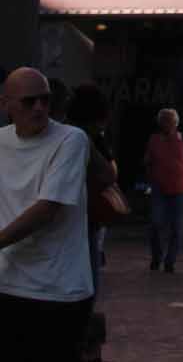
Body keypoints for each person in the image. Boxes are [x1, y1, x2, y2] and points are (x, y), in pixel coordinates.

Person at [0, 68, 97, 361]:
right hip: (9, 284)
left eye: (45, 100)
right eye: (30, 101)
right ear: (6, 104)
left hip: (58, 291)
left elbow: (47, 209)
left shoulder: (71, 140)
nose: (40, 107)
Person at [64, 84, 115, 362]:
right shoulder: (84, 138)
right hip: (85, 222)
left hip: (69, 223)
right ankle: (85, 348)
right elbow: (108, 174)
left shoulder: (60, 133)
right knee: (86, 291)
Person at [141, 109, 183, 274]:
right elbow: (147, 161)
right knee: (156, 223)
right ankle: (157, 256)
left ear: (175, 123)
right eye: (162, 120)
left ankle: (170, 261)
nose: (165, 124)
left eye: (168, 120)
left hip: (181, 189)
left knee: (177, 227)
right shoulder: (154, 139)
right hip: (159, 189)